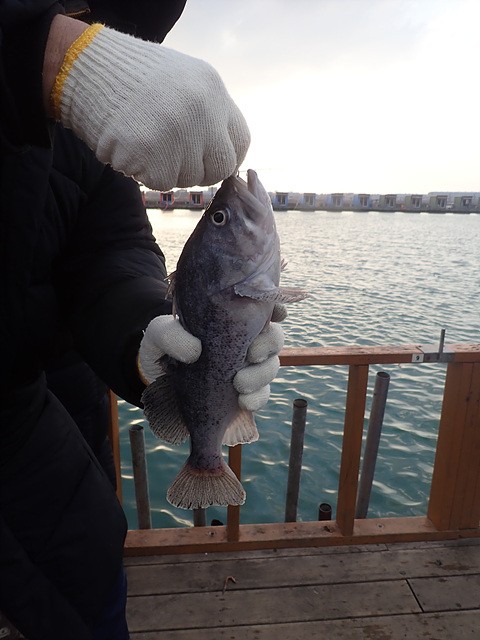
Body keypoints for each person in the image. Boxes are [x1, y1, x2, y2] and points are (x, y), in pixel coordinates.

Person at [0, 2, 284, 639]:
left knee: (90, 578)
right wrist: (42, 51)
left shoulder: (90, 143)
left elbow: (112, 252)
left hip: (37, 414)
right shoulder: (63, 68)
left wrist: (145, 338)